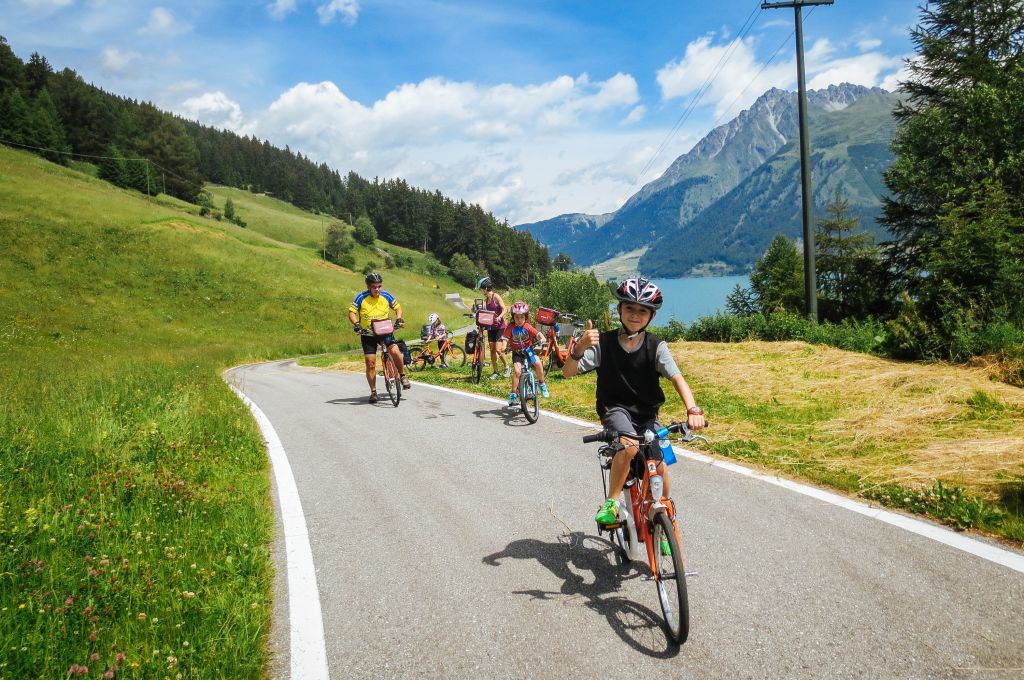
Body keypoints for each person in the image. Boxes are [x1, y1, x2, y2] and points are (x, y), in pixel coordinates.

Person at [561, 277, 707, 526]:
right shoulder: (603, 344)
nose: (635, 315)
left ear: (651, 315)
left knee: (659, 464)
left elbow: (677, 378)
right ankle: (613, 503)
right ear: (619, 310)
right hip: (615, 409)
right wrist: (579, 347)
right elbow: (568, 372)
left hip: (647, 414)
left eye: (642, 311)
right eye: (629, 308)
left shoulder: (656, 347)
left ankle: (665, 516)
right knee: (628, 445)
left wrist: (693, 409)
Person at [348, 272, 411, 403]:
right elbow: (352, 312)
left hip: (385, 331)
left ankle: (402, 376)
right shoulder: (361, 297)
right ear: (368, 287)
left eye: (379, 286)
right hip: (368, 334)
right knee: (370, 364)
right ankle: (373, 392)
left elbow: (398, 308)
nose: (377, 289)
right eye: (374, 287)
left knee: (395, 351)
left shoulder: (386, 295)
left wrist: (399, 318)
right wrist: (357, 324)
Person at [501, 301, 550, 405]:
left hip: (528, 351)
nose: (519, 320)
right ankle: (513, 394)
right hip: (517, 353)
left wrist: (541, 338)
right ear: (513, 317)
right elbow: (505, 338)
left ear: (525, 317)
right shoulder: (510, 327)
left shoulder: (527, 326)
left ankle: (542, 383)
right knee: (517, 372)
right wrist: (504, 346)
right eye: (517, 317)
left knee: (537, 363)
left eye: (522, 317)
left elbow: (537, 334)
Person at [478, 277, 510, 380]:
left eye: (482, 288)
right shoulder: (486, 300)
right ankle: (495, 371)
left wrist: (500, 317)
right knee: (492, 350)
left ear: (486, 287)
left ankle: (507, 368)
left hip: (500, 327)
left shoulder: (495, 296)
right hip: (491, 327)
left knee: (498, 349)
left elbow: (505, 308)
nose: (481, 291)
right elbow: (486, 315)